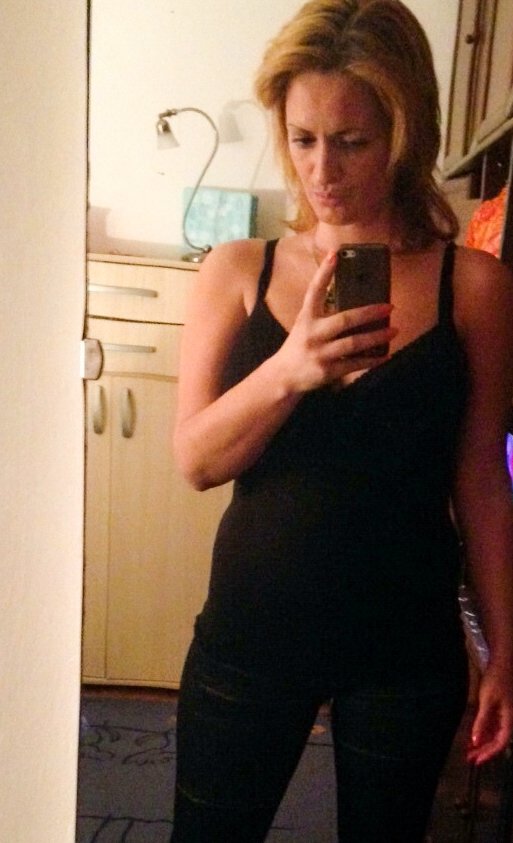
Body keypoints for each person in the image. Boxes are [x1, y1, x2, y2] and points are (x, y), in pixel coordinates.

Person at [170, 1, 513, 840]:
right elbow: (196, 460)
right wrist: (290, 370)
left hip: (405, 644)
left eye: (352, 141)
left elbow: (480, 479)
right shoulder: (235, 270)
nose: (321, 170)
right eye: (302, 138)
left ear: (403, 135)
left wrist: (506, 643)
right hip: (251, 628)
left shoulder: (474, 287)